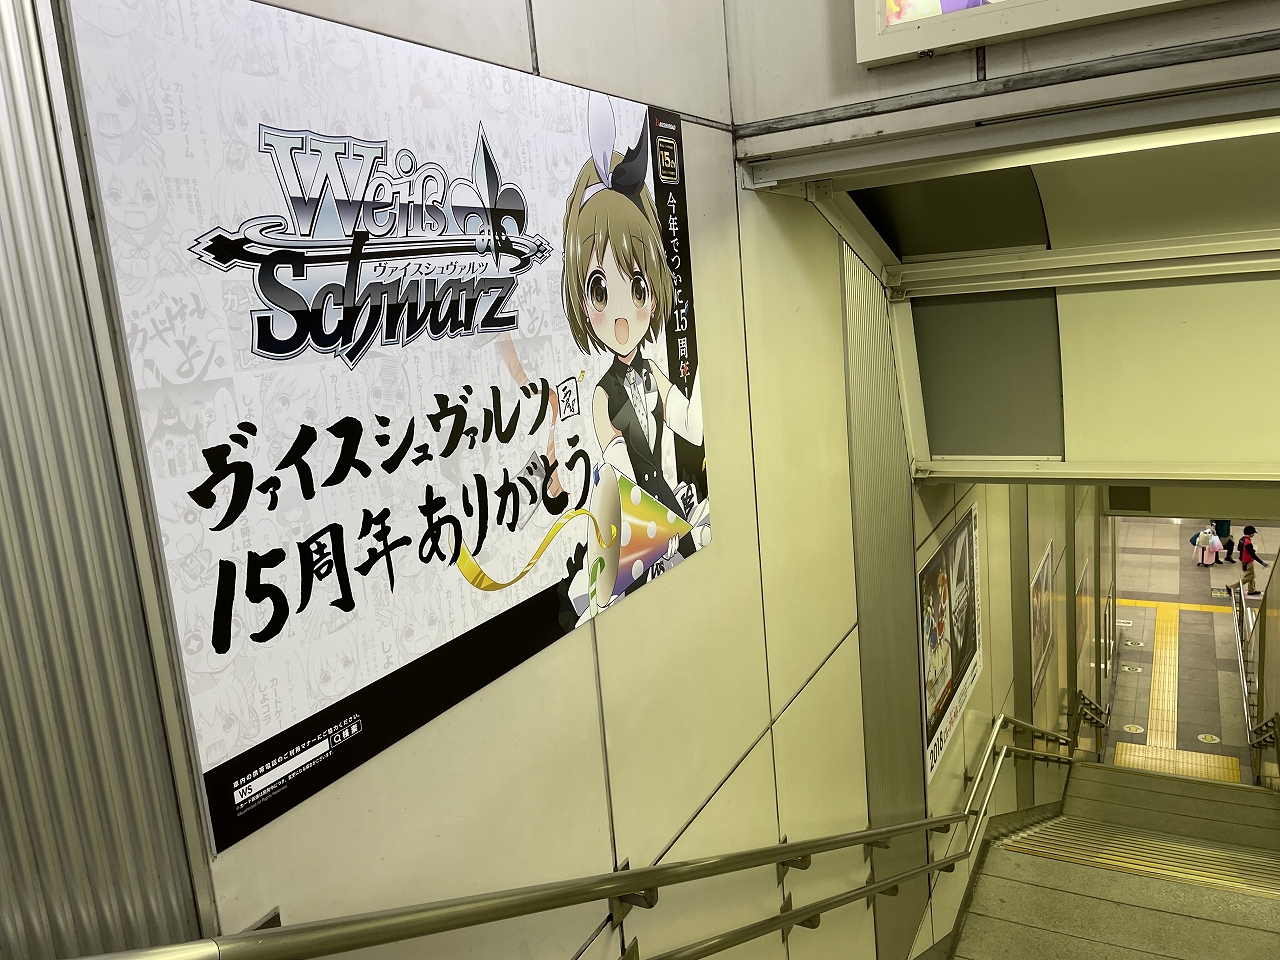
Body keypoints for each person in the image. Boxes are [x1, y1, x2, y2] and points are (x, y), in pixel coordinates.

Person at [1240, 525, 1267, 596]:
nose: (1254, 534)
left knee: (1251, 576)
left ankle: (1251, 590)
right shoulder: (1248, 542)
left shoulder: (1242, 539)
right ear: (1250, 533)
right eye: (1253, 533)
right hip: (1248, 562)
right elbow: (1253, 555)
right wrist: (1261, 562)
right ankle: (1233, 586)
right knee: (1250, 577)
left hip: (1244, 560)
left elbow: (1239, 549)